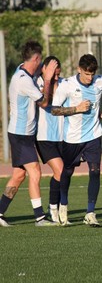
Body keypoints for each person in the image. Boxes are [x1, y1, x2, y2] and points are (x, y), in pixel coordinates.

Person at [0, 40, 58, 227]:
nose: (41, 65)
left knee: (18, 175)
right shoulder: (23, 81)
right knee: (35, 171)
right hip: (20, 135)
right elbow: (44, 102)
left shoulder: (23, 71)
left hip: (23, 134)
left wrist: (45, 73)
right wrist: (48, 78)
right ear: (35, 58)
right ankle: (40, 217)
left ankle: (0, 211)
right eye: (40, 61)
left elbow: (37, 75)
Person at [51, 54, 102, 227]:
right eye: (86, 74)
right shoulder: (67, 85)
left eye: (92, 74)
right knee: (67, 172)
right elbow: (54, 110)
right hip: (73, 138)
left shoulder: (101, 81)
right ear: (79, 69)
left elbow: (97, 100)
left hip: (94, 135)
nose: (90, 78)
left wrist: (98, 112)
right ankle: (64, 206)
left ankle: (90, 213)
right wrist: (76, 108)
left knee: (95, 171)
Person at [35, 56, 64, 223]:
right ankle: (53, 209)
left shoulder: (63, 83)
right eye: (53, 74)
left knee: (63, 173)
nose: (56, 78)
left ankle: (56, 207)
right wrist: (48, 80)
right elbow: (45, 102)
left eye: (58, 74)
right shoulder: (37, 83)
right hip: (44, 136)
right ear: (44, 69)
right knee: (59, 170)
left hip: (61, 135)